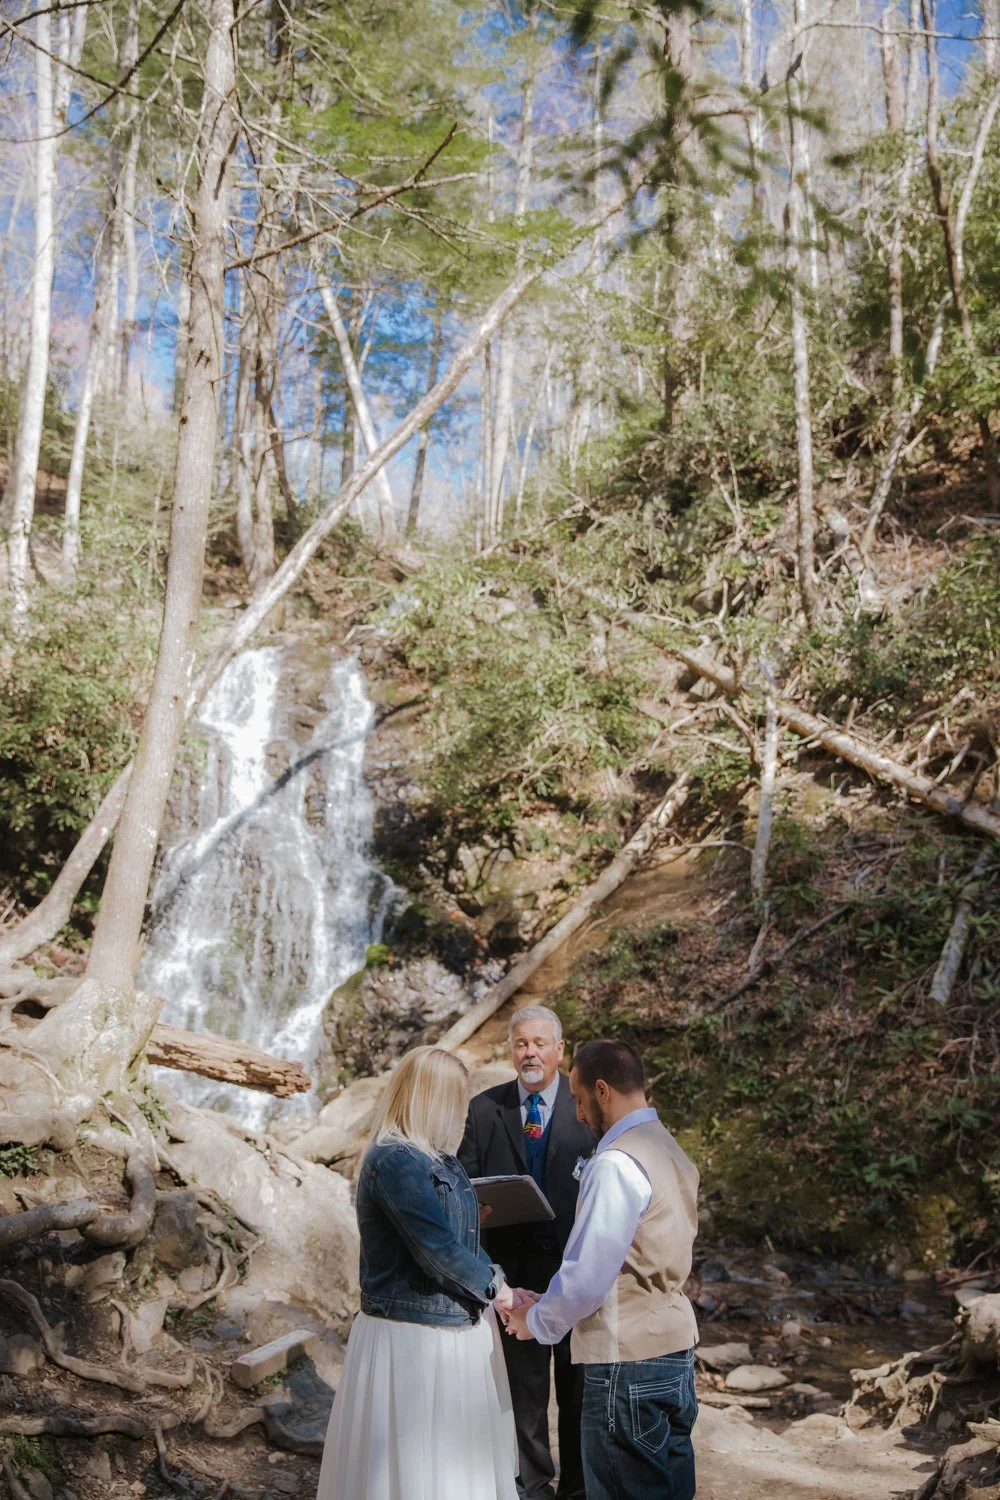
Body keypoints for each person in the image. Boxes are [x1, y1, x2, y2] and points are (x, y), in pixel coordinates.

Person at [316, 1046, 521, 1500]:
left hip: (449, 1326)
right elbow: (436, 1249)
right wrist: (500, 1290)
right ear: (431, 1099)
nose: (462, 1111)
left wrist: (485, 1251)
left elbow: (451, 1240)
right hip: (413, 1337)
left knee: (450, 1468)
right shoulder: (395, 1160)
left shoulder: (435, 1159)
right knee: (418, 1470)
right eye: (456, 1099)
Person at [503, 1038, 700, 1500]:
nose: (576, 1111)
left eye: (577, 1097)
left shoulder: (615, 1163)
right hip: (675, 1351)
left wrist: (535, 1320)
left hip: (625, 1359)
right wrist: (548, 1301)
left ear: (603, 1090)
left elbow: (589, 1276)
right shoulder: (670, 1149)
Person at [458, 1004, 597, 1500]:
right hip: (513, 1276)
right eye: (521, 1044)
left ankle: (578, 1490)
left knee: (579, 1391)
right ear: (510, 1050)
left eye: (540, 1043)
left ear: (561, 1050)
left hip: (576, 1275)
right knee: (523, 1394)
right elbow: (462, 1188)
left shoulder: (587, 1111)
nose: (530, 1052)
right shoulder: (483, 1109)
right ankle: (532, 1487)